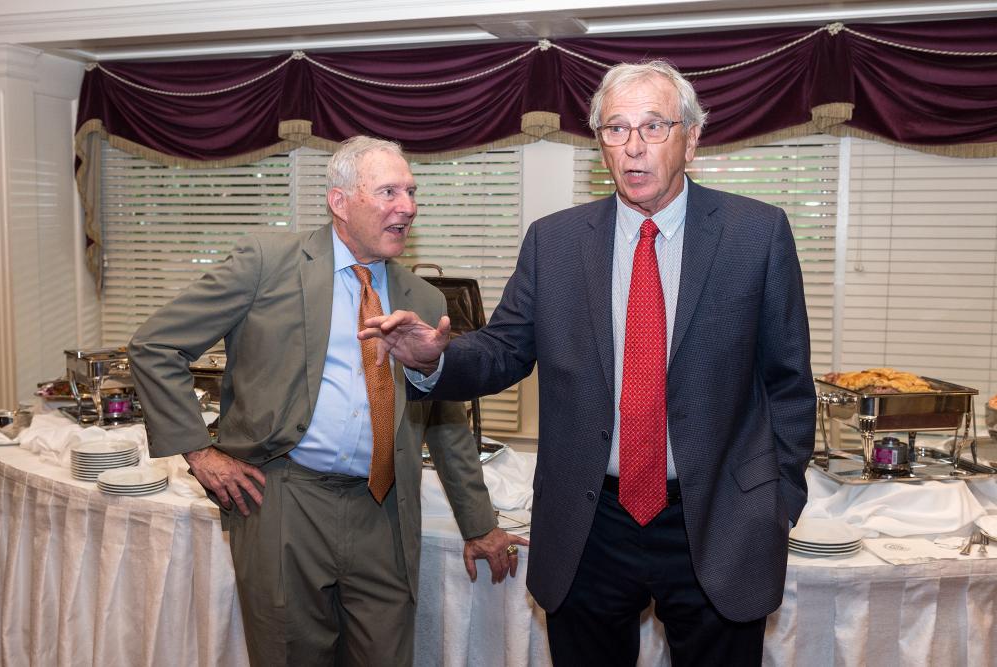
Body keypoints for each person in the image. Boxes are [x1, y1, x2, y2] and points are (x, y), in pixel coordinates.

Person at [359, 62, 816, 666]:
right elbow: (504, 350)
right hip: (589, 524)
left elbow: (789, 384)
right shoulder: (556, 241)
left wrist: (775, 502)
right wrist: (434, 361)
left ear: (692, 137)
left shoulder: (755, 234)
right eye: (615, 128)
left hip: (720, 520)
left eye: (653, 127)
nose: (632, 147)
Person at [128, 135, 526, 667]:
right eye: (388, 191)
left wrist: (479, 524)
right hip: (284, 500)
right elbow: (156, 345)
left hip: (384, 509)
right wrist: (200, 453)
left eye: (410, 191)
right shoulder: (267, 263)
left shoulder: (424, 299)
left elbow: (444, 418)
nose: (406, 206)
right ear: (340, 202)